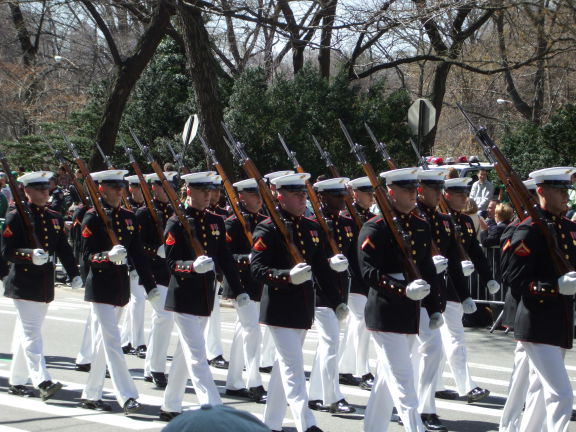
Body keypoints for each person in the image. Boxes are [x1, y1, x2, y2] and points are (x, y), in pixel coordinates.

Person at [251, 172, 340, 432]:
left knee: (284, 367)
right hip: (279, 309)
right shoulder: (267, 228)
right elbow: (257, 269)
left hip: (303, 309)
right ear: (280, 196)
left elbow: (322, 270)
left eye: (304, 193)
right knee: (294, 368)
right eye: (296, 194)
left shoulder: (312, 228)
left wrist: (337, 302)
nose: (303, 198)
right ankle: (307, 424)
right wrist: (286, 276)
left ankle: (271, 424)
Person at [359, 167, 439, 432]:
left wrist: (434, 306)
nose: (413, 194)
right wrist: (402, 288)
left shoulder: (420, 226)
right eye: (406, 190)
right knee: (404, 378)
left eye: (414, 189)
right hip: (385, 311)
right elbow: (369, 272)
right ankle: (416, 428)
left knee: (387, 377)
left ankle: (372, 428)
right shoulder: (375, 227)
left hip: (410, 311)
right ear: (391, 193)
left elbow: (426, 268)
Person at [160, 171, 245, 420]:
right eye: (203, 191)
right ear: (189, 191)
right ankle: (214, 409)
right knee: (198, 354)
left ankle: (170, 405)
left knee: (184, 354)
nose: (209, 195)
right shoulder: (176, 222)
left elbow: (225, 259)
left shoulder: (216, 221)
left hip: (206, 296)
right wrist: (192, 267)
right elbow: (172, 263)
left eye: (210, 190)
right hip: (184, 296)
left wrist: (239, 290)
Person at [504, 167, 576, 431]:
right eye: (559, 191)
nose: (565, 196)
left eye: (566, 190)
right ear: (542, 192)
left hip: (560, 321)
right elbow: (515, 279)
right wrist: (555, 287)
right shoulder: (529, 230)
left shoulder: (568, 228)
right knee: (561, 394)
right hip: (537, 322)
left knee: (538, 392)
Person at [79, 169, 156, 414]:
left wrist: (150, 285)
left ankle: (91, 394)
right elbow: (86, 257)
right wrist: (106, 257)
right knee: (113, 341)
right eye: (114, 187)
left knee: (105, 343)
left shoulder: (127, 216)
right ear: (101, 189)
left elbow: (139, 254)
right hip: (100, 287)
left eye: (121, 187)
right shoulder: (92, 218)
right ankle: (128, 396)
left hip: (120, 288)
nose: (119, 191)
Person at [2, 171, 82, 400]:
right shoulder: (16, 216)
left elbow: (63, 249)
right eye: (39, 189)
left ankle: (16, 381)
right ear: (27, 191)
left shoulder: (54, 216)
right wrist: (28, 255)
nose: (45, 193)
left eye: (47, 189)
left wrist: (74, 273)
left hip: (44, 283)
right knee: (31, 333)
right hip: (24, 283)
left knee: (26, 333)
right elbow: (6, 252)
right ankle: (42, 380)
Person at [414, 168, 473, 431]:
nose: (439, 193)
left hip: (432, 296)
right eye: (434, 189)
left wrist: (466, 294)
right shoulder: (407, 219)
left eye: (441, 189)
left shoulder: (441, 220)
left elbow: (453, 261)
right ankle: (412, 407)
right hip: (406, 295)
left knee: (430, 350)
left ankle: (423, 407)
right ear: (420, 189)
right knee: (411, 355)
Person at [436, 177, 496, 403]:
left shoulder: (467, 222)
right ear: (447, 195)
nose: (465, 198)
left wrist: (488, 277)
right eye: (460, 194)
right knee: (455, 337)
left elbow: (476, 252)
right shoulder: (437, 220)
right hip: (442, 285)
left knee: (443, 339)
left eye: (466, 193)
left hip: (457, 286)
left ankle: (435, 384)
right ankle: (466, 385)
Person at [307, 178, 354, 414]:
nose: (342, 200)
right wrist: (328, 262)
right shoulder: (312, 223)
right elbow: (308, 260)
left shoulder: (346, 223)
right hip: (319, 292)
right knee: (331, 344)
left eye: (343, 196)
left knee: (327, 346)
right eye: (337, 196)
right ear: (323, 197)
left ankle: (314, 394)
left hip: (339, 291)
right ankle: (333, 397)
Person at [223, 178, 268, 403]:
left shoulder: (263, 221)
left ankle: (233, 382)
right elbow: (224, 256)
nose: (260, 199)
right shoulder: (231, 223)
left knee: (244, 331)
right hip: (240, 284)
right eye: (254, 194)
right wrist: (246, 258)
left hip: (256, 283)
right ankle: (254, 382)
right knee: (252, 331)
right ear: (241, 197)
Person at [139, 172, 176, 388]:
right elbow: (136, 245)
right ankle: (157, 369)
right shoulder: (143, 213)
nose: (168, 192)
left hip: (170, 273)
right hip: (152, 272)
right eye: (165, 188)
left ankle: (149, 366)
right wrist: (155, 250)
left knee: (161, 320)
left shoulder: (173, 212)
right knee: (163, 317)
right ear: (154, 189)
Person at [338, 177, 376, 390]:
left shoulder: (372, 218)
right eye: (366, 192)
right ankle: (363, 371)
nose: (371, 196)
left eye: (372, 192)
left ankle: (345, 368)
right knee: (361, 321)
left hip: (367, 277)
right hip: (353, 277)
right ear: (355, 194)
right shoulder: (346, 218)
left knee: (358, 323)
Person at [120, 176, 148, 357]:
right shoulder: (125, 209)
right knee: (137, 301)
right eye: (136, 187)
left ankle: (125, 340)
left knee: (135, 302)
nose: (139, 190)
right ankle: (138, 342)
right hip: (130, 262)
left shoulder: (148, 209)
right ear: (131, 188)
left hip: (146, 261)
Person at [204, 174, 230, 369]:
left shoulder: (223, 214)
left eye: (218, 190)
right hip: (193, 270)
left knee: (213, 314)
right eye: (213, 190)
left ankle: (213, 352)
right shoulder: (193, 214)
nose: (216, 194)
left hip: (214, 270)